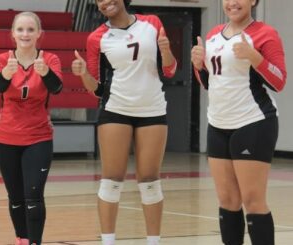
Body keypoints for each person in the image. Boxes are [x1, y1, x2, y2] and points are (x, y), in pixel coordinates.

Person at [71, 0, 177, 244]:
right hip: (115, 109)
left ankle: (154, 241)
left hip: (152, 109)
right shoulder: (97, 38)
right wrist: (83, 74)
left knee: (150, 181)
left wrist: (166, 49)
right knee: (111, 180)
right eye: (99, 0)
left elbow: (170, 70)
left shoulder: (152, 24)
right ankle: (108, 241)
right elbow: (96, 89)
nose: (105, 2)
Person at [191, 0, 286, 244]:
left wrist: (254, 57)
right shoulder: (213, 35)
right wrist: (198, 65)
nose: (232, 3)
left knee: (253, 200)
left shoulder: (266, 33)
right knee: (227, 200)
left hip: (253, 122)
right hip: (218, 124)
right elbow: (209, 84)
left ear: (253, 1)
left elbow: (279, 81)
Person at [0, 12, 63, 245]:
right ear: (12, 34)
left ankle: (34, 243)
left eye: (30, 30)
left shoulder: (49, 59)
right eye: (20, 29)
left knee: (33, 197)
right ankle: (21, 239)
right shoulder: (1, 59)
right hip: (6, 137)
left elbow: (57, 88)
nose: (25, 34)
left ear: (39, 34)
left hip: (38, 137)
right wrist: (6, 73)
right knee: (15, 198)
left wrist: (45, 73)